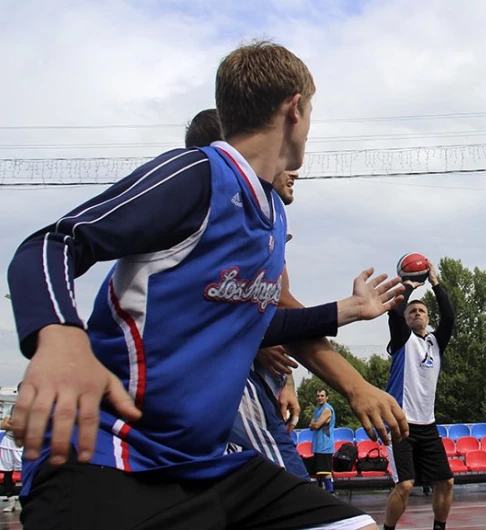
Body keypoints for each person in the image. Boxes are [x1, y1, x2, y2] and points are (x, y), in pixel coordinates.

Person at [6, 41, 409, 530]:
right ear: (295, 110)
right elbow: (53, 243)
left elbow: (260, 323)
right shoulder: (197, 175)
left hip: (204, 466)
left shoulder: (271, 216)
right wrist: (59, 338)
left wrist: (346, 311)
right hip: (106, 457)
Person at [184, 108, 309, 480]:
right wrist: (353, 383)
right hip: (220, 378)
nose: (292, 169)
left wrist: (286, 382)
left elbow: (272, 304)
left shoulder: (270, 217)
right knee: (291, 484)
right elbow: (264, 308)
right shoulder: (210, 213)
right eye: (279, 155)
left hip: (249, 379)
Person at [382, 260, 456, 530]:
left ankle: (439, 527)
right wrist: (409, 285)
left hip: (427, 425)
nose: (416, 313)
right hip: (400, 424)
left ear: (428, 318)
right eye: (412, 311)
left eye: (421, 311)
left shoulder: (435, 342)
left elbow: (449, 317)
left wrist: (435, 283)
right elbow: (394, 311)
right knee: (405, 485)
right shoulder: (402, 340)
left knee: (446, 482)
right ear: (406, 319)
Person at [310, 389, 336, 492]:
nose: (319, 398)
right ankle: (321, 493)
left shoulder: (327, 409)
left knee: (325, 471)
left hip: (325, 445)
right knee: (319, 472)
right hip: (317, 445)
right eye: (318, 396)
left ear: (326, 397)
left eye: (322, 396)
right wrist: (314, 424)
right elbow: (311, 425)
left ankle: (330, 492)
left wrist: (315, 424)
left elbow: (316, 425)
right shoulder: (317, 410)